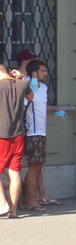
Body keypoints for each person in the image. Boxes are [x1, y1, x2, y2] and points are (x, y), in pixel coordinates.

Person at [20, 58, 57, 211]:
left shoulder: (44, 87)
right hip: (32, 132)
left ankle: (33, 198)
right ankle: (30, 201)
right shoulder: (28, 87)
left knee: (38, 166)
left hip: (41, 132)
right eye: (43, 71)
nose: (46, 73)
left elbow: (42, 106)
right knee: (34, 167)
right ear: (34, 73)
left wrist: (56, 109)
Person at [1, 67, 33, 218]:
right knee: (15, 172)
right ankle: (13, 211)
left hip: (2, 134)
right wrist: (22, 78)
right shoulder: (22, 84)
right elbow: (31, 97)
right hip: (18, 134)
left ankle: (2, 203)